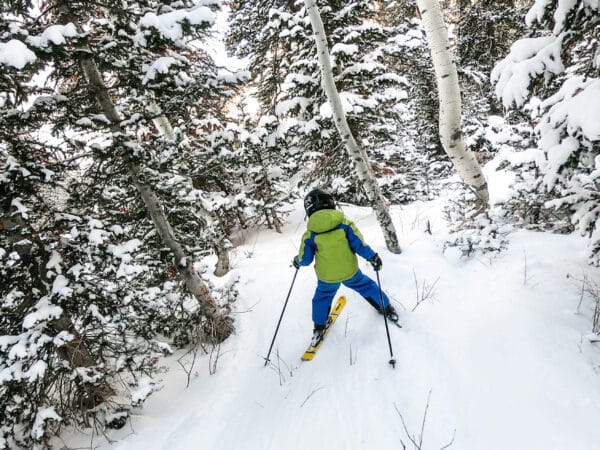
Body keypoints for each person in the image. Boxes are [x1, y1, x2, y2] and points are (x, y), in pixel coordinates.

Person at [292, 188, 398, 345]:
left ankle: (319, 327)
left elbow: (305, 259)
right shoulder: (344, 224)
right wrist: (373, 257)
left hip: (326, 277)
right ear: (331, 203)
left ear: (309, 210)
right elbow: (360, 245)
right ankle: (386, 308)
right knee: (366, 285)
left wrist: (297, 261)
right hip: (350, 272)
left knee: (322, 297)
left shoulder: (310, 234)